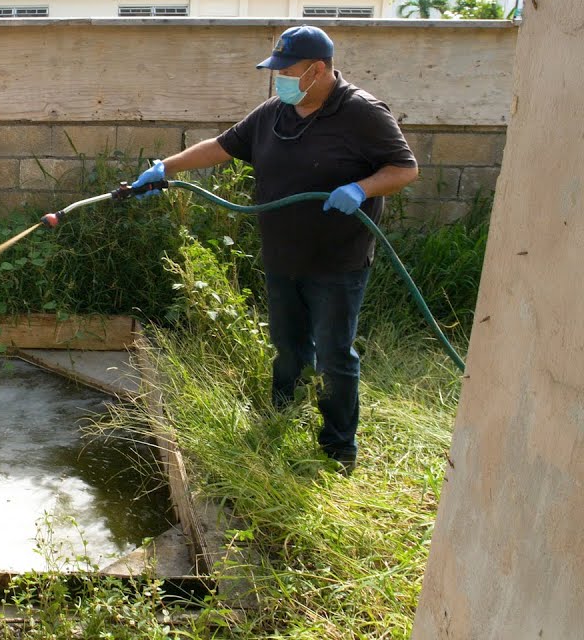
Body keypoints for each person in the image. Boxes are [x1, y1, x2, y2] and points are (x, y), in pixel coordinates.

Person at [134, 25, 418, 474]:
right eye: (276, 71)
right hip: (283, 254)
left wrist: (361, 189)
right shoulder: (273, 113)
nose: (279, 79)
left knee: (335, 354)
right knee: (287, 346)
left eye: (287, 71)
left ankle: (339, 448)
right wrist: (164, 168)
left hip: (337, 260)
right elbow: (222, 148)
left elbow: (404, 168)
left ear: (317, 70)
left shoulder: (362, 113)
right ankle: (281, 416)